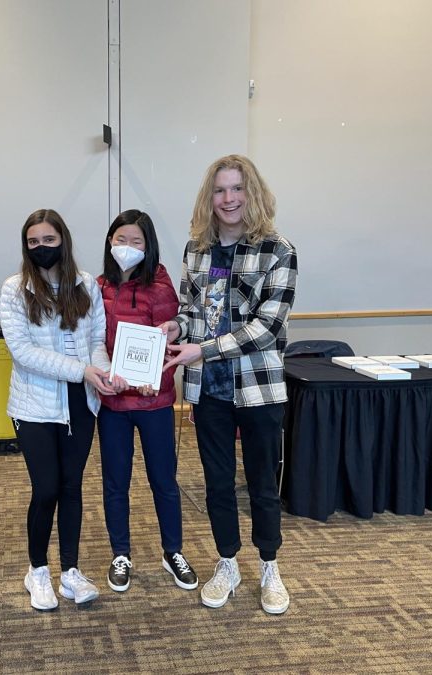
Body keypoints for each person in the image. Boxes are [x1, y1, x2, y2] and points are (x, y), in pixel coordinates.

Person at [161, 155, 298, 614]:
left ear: (251, 192)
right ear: (210, 196)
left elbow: (267, 328)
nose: (229, 199)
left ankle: (269, 566)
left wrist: (203, 348)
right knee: (217, 484)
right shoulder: (196, 249)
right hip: (209, 390)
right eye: (220, 190)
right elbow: (191, 310)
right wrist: (176, 330)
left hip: (258, 388)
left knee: (262, 483)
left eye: (237, 189)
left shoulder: (279, 250)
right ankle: (227, 562)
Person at [0, 208, 122, 611]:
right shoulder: (15, 288)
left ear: (63, 241)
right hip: (34, 406)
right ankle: (37, 570)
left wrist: (104, 374)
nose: (41, 248)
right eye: (33, 242)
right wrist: (83, 370)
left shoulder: (86, 284)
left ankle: (69, 569)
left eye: (48, 240)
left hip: (80, 405)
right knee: (46, 489)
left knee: (71, 488)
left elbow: (96, 344)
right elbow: (23, 353)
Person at [96, 209, 198, 593]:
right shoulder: (98, 286)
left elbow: (169, 343)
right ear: (110, 242)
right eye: (121, 239)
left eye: (136, 241)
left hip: (154, 403)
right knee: (115, 482)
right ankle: (120, 553)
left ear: (149, 246)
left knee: (164, 481)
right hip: (112, 405)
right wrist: (107, 377)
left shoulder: (160, 285)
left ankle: (172, 551)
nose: (127, 247)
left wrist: (152, 381)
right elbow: (95, 342)